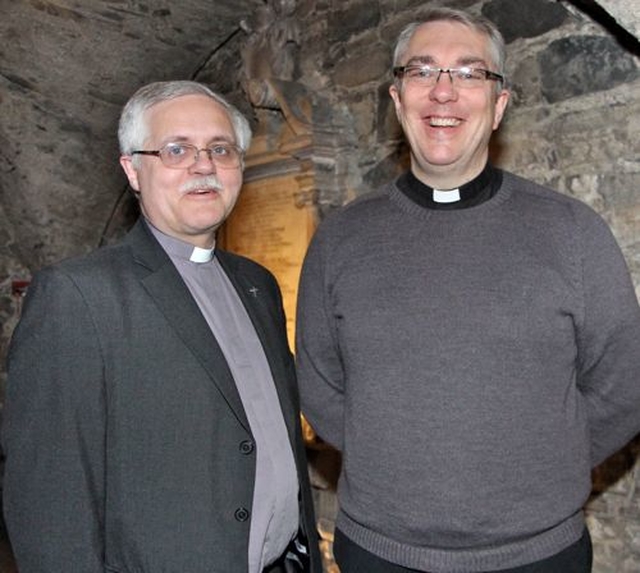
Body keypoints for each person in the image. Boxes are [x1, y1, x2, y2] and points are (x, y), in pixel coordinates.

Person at [295, 8, 640, 573]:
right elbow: (319, 381)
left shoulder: (572, 232)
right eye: (422, 72)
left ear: (499, 103)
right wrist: (381, 450)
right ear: (397, 97)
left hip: (538, 556)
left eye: (469, 74)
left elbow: (625, 380)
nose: (443, 93)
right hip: (381, 553)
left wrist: (552, 458)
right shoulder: (340, 239)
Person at [2, 80, 321, 573]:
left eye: (220, 149)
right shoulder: (79, 296)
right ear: (133, 169)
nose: (203, 165)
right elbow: (51, 504)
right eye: (177, 149)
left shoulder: (257, 285)